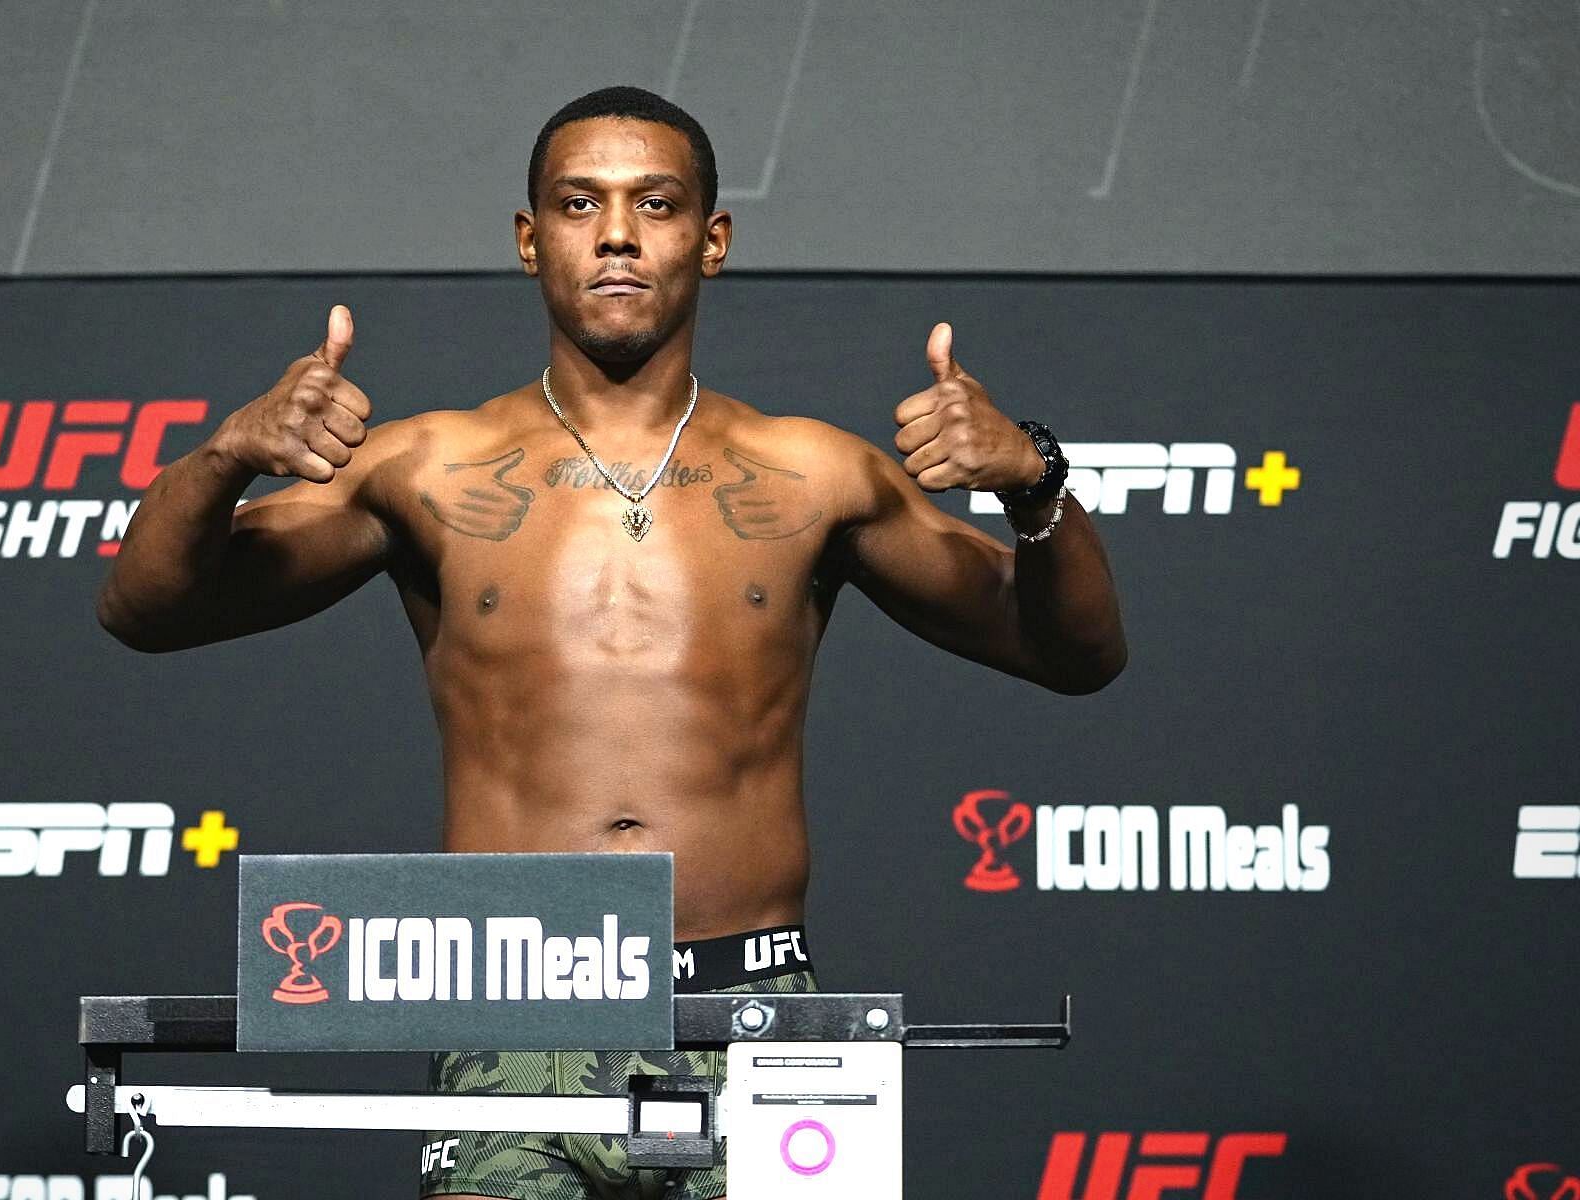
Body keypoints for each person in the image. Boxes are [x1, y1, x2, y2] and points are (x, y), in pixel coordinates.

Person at [97, 85, 1126, 1200]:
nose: (620, 233)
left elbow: (1075, 655)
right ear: (530, 240)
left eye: (659, 203)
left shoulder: (814, 475)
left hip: (754, 1009)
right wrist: (223, 459)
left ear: (713, 240)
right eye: (581, 203)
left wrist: (1035, 479)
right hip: (513, 1004)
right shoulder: (426, 467)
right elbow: (146, 611)